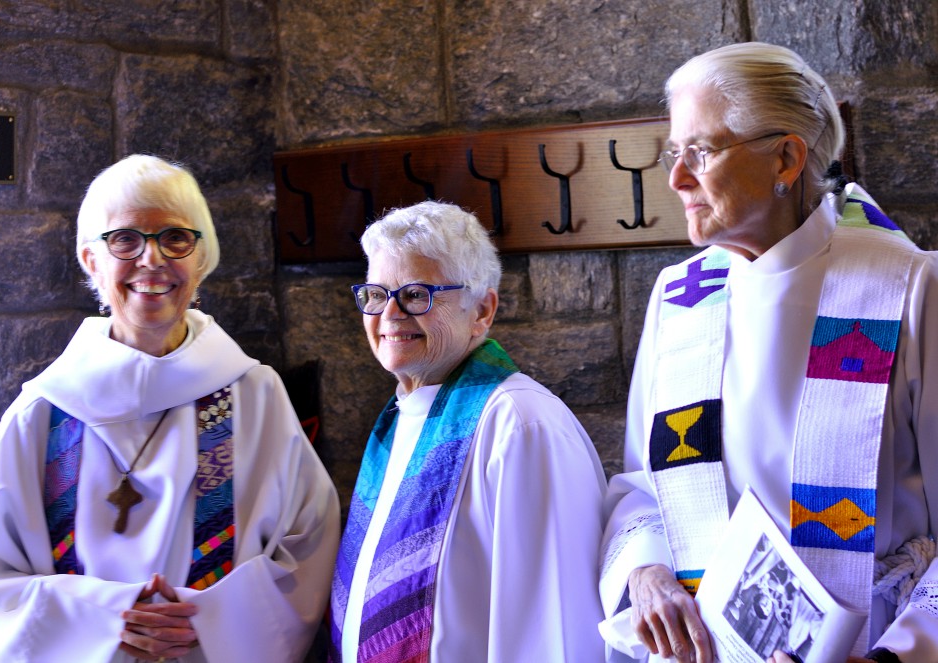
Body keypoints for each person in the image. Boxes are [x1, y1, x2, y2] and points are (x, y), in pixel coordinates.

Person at [597, 42, 938, 663]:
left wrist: (900, 656)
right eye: (674, 153)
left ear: (786, 157)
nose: (675, 178)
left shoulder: (910, 289)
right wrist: (645, 576)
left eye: (699, 152)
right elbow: (644, 491)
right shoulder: (679, 300)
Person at [0, 154, 341, 662]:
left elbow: (309, 544)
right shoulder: (43, 411)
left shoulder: (254, 395)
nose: (151, 260)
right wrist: (107, 619)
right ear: (92, 261)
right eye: (125, 239)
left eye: (175, 238)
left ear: (200, 260)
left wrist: (210, 620)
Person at [329, 201, 609, 661]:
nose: (391, 314)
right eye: (377, 295)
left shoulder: (520, 425)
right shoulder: (398, 423)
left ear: (481, 309)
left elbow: (554, 631)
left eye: (416, 294)